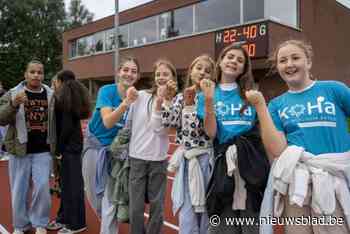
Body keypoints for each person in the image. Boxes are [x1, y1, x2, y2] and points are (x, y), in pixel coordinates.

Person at [246, 39, 350, 234]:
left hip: (334, 181)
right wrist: (260, 106)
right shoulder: (276, 105)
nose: (289, 64)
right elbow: (277, 149)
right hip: (296, 186)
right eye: (283, 60)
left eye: (295, 58)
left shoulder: (335, 89)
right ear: (278, 67)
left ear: (308, 62)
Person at [198, 43, 269, 234]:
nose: (234, 62)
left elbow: (260, 132)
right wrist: (209, 100)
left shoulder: (250, 95)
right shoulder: (205, 94)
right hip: (223, 167)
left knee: (251, 225)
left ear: (244, 68)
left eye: (240, 60)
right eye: (230, 57)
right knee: (223, 225)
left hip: (250, 167)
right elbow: (212, 133)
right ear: (220, 61)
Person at [82, 57, 140, 234]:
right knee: (93, 195)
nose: (129, 74)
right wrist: (125, 104)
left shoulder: (138, 98)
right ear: (118, 72)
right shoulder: (106, 91)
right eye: (126, 69)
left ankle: (108, 228)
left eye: (133, 71)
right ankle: (107, 221)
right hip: (95, 146)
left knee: (110, 199)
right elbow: (107, 122)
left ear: (137, 76)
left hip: (116, 153)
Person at [162, 55, 215, 234]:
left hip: (206, 159)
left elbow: (203, 131)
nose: (202, 73)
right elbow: (169, 123)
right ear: (191, 71)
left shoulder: (212, 98)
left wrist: (191, 105)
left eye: (208, 71)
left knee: (208, 208)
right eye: (199, 68)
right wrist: (168, 100)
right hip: (187, 161)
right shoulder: (179, 97)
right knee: (187, 210)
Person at [0, 60, 54, 234]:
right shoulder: (14, 93)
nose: (36, 75)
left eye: (39, 72)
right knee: (19, 190)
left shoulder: (51, 94)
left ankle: (39, 222)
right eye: (32, 72)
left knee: (43, 187)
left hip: (43, 151)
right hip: (19, 150)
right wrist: (14, 104)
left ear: (43, 75)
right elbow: (1, 118)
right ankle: (20, 225)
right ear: (25, 74)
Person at [128, 59, 177, 234]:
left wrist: (164, 101)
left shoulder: (175, 101)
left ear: (173, 77)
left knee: (157, 207)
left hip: (158, 159)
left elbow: (161, 130)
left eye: (165, 74)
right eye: (158, 74)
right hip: (137, 158)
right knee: (135, 207)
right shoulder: (140, 96)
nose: (161, 77)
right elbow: (130, 123)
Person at [47, 70, 91, 234]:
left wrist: (58, 150)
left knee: (73, 187)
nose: (54, 85)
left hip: (68, 149)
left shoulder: (63, 99)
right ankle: (64, 218)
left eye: (54, 82)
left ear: (59, 81)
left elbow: (65, 128)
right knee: (67, 186)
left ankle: (77, 223)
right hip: (74, 147)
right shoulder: (73, 96)